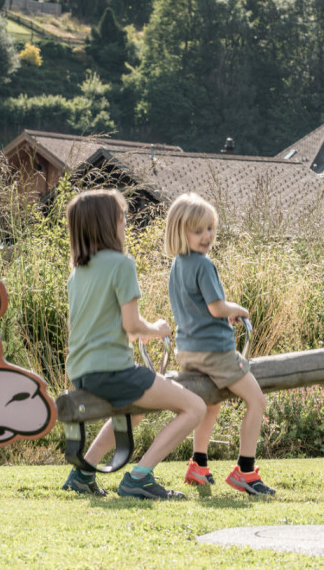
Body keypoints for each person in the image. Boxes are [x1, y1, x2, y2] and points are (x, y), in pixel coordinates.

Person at [60, 189, 206, 500]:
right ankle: (140, 477)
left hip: (83, 374)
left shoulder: (77, 274)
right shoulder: (121, 264)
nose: (125, 222)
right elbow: (132, 325)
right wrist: (157, 328)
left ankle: (84, 474)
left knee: (136, 413)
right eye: (122, 216)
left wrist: (135, 332)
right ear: (106, 223)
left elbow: (95, 329)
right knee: (195, 407)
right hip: (114, 372)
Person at [164, 193, 275, 496]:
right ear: (181, 232)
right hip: (215, 352)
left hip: (188, 351)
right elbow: (215, 307)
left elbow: (196, 309)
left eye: (210, 229)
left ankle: (199, 463)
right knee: (256, 401)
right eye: (198, 231)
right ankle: (246, 471)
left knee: (211, 404)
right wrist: (236, 310)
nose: (206, 237)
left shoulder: (177, 265)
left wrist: (220, 316)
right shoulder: (203, 264)